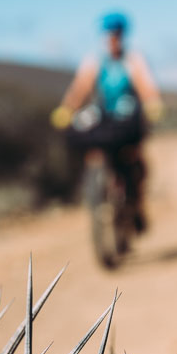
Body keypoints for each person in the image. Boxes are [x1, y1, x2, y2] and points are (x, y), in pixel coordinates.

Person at [51, 12, 163, 233]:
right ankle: (97, 191)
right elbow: (80, 87)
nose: (112, 39)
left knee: (134, 159)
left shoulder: (133, 59)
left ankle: (136, 204)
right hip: (103, 116)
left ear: (122, 35)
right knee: (93, 148)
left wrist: (152, 103)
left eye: (116, 35)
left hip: (127, 116)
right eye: (109, 35)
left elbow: (145, 83)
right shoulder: (94, 60)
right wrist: (67, 108)